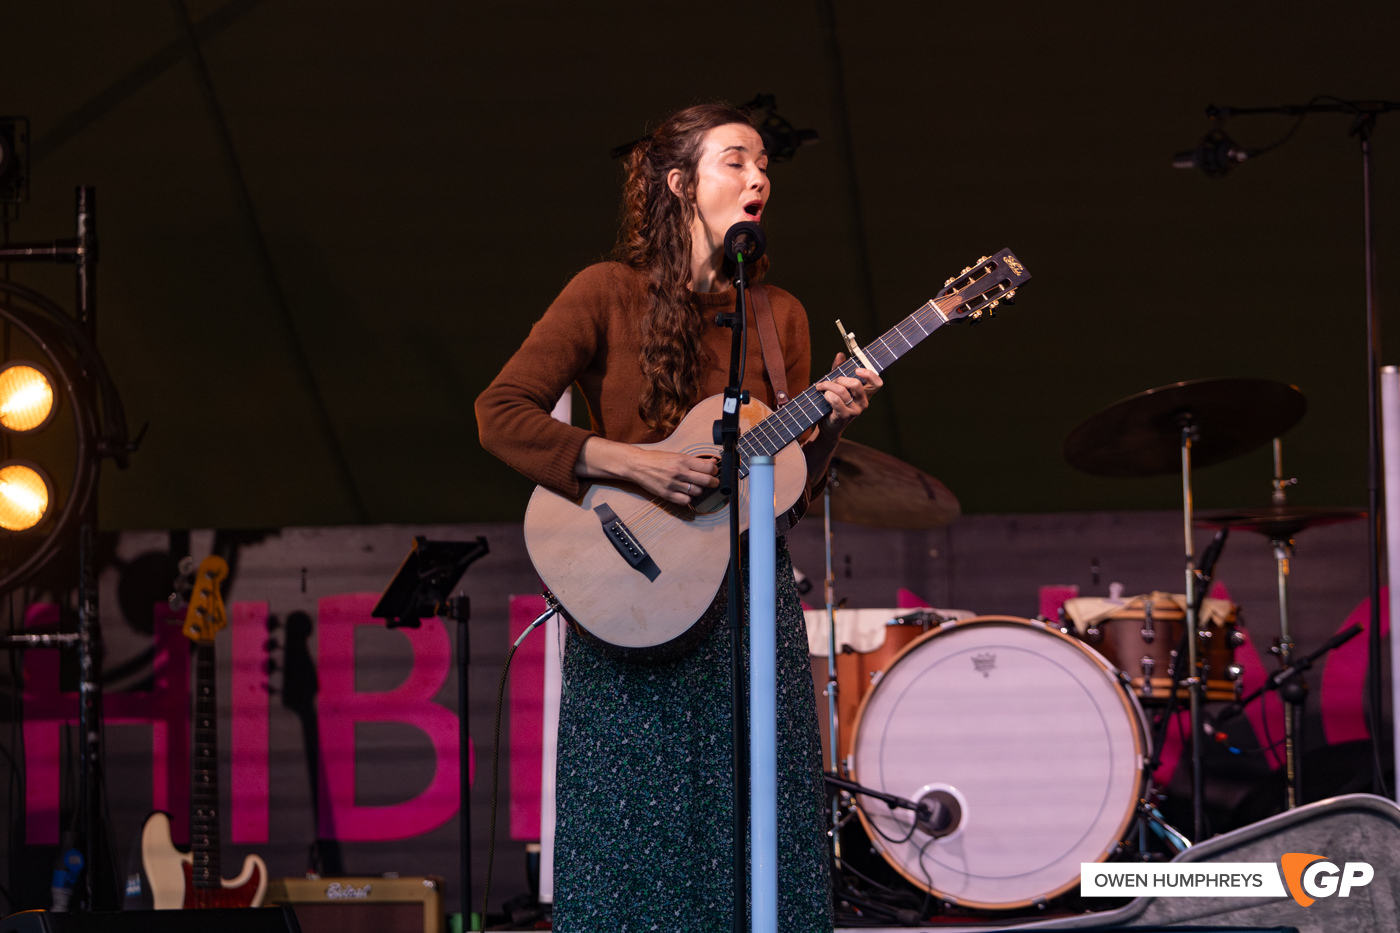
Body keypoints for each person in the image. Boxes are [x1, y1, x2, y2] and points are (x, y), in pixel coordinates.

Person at [475, 102, 881, 933]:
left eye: (764, 164)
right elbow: (501, 411)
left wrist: (831, 419)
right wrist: (635, 463)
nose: (758, 177)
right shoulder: (604, 292)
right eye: (735, 160)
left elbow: (788, 494)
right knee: (631, 840)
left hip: (746, 604)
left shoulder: (783, 318)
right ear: (678, 183)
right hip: (629, 598)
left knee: (761, 825)